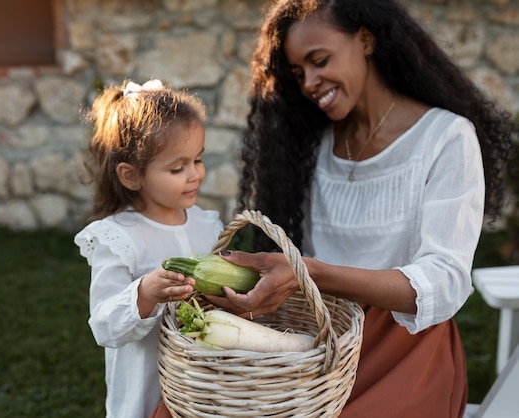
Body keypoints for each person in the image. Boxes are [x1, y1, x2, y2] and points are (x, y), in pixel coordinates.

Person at [149, 0, 518, 417]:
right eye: (298, 73)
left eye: (319, 60)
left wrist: (311, 272)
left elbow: (446, 281)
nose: (309, 82)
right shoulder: (314, 147)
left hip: (404, 351)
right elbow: (298, 271)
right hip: (316, 337)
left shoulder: (446, 138)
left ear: (366, 39)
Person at [74, 79, 224, 418]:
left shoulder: (206, 225)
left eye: (198, 160)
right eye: (177, 168)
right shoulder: (119, 237)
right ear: (131, 176)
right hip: (145, 385)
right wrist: (146, 292)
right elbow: (104, 324)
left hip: (199, 382)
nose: (194, 175)